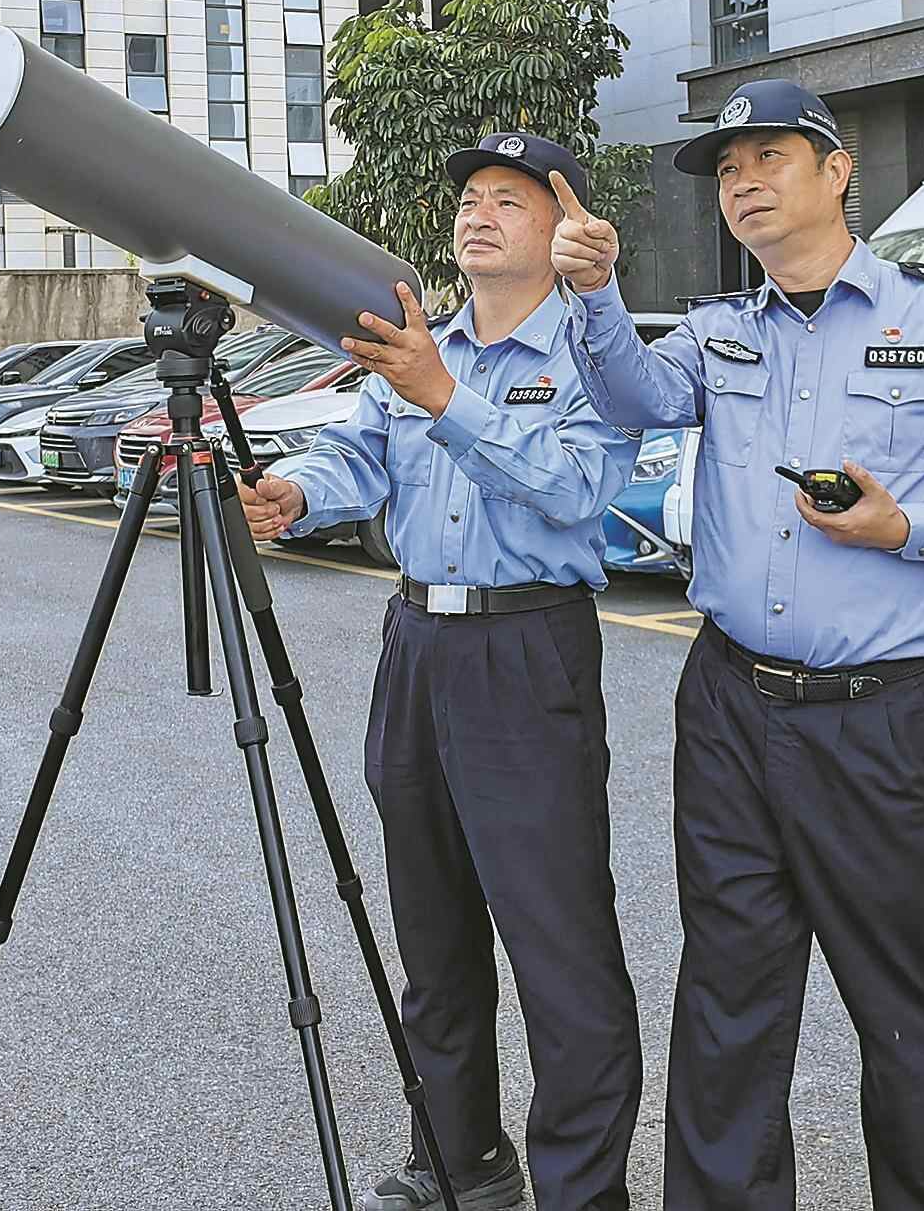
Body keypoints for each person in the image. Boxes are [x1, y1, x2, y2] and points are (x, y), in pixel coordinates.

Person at [550, 79, 924, 1210]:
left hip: (879, 717)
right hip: (729, 706)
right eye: (727, 170)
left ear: (837, 170)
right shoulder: (720, 330)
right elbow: (636, 398)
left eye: (767, 157)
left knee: (903, 1004)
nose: (742, 183)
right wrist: (594, 291)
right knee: (727, 996)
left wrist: (906, 526)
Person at [237, 133, 643, 1211]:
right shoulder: (426, 342)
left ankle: (582, 1190)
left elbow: (571, 490)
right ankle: (461, 1160)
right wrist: (297, 490)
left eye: (510, 199)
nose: (479, 213)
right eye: (470, 197)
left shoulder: (594, 356)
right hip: (416, 644)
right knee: (433, 933)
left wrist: (444, 396)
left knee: (558, 944)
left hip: (528, 647)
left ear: (563, 227)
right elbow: (360, 451)